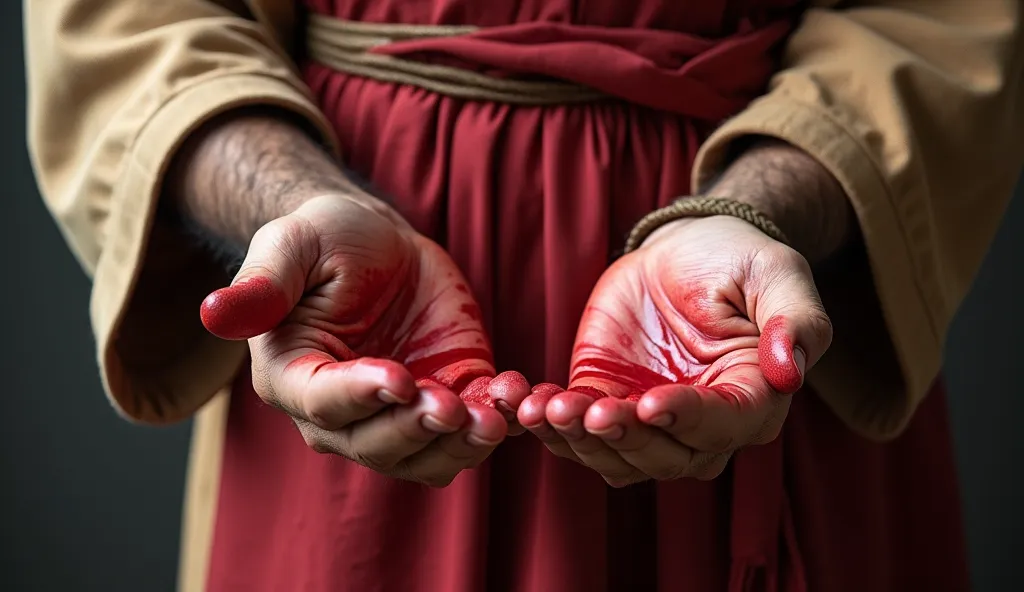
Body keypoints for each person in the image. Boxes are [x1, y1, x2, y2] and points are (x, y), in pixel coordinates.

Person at [23, 0, 1023, 590]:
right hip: (361, 319)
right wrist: (301, 203)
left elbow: (935, 23)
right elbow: (131, 21)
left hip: (745, 324)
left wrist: (758, 213)